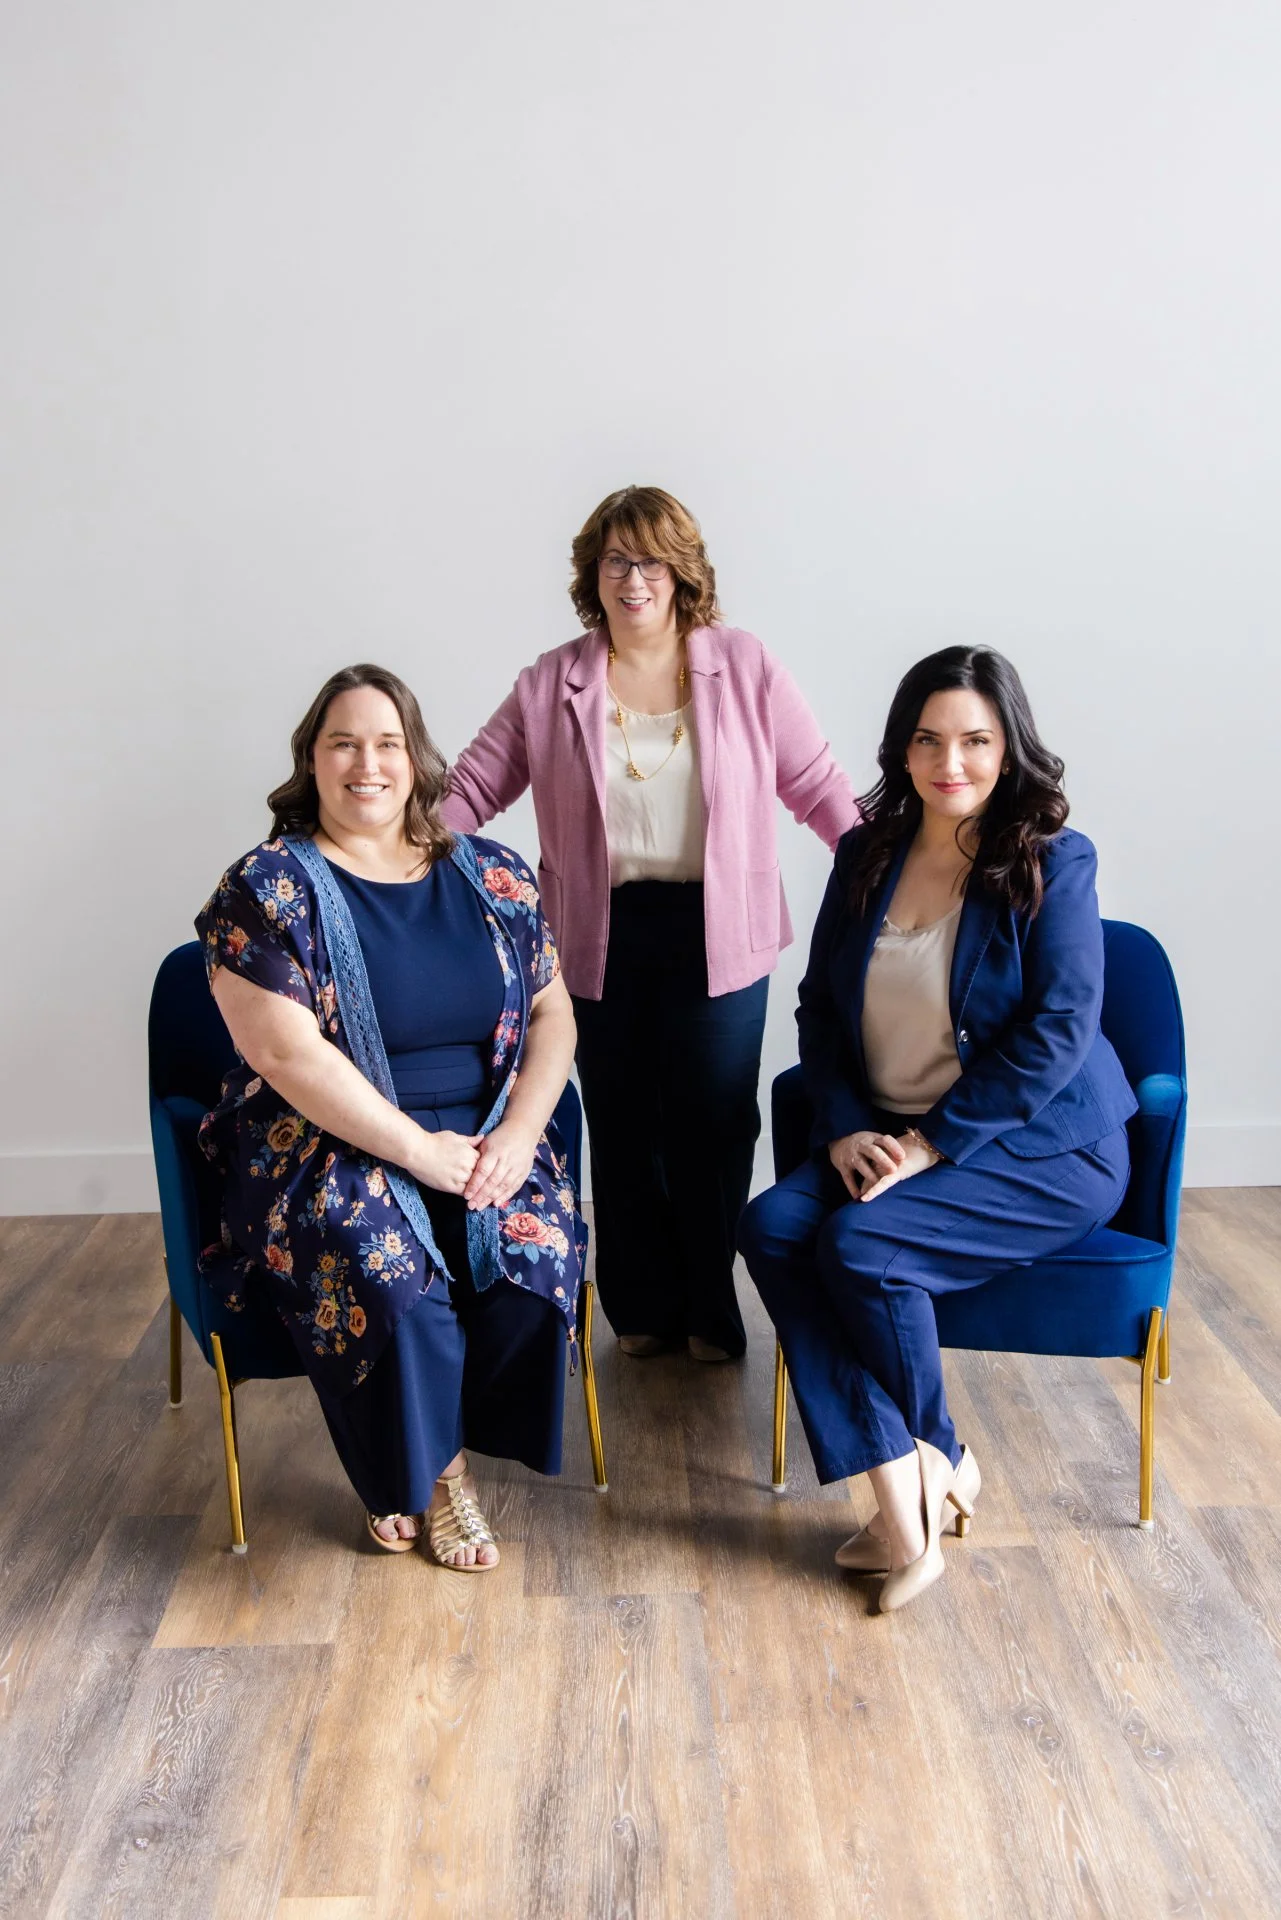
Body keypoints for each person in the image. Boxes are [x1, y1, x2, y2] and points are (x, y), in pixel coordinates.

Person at [737, 646, 1137, 1612]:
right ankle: (917, 1472)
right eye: (927, 740)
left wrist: (928, 1146)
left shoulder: (1051, 858)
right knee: (773, 1225)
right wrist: (840, 1131)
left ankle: (926, 1476)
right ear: (901, 750)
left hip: (1042, 1148)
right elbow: (820, 1013)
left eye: (972, 740)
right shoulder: (865, 852)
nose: (947, 761)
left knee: (865, 1242)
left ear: (1008, 749)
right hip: (889, 1132)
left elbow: (1058, 1030)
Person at [440, 486, 856, 1364]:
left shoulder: (743, 667)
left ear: (683, 572)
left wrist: (885, 880)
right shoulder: (551, 681)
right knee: (624, 1126)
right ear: (594, 574)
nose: (634, 579)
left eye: (652, 560)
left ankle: (709, 1308)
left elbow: (818, 787)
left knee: (711, 1124)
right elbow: (470, 789)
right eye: (616, 560)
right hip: (598, 934)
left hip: (721, 929)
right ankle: (641, 1313)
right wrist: (383, 859)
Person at [196, 663, 584, 1566]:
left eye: (386, 743)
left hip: (487, 1130)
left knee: (537, 1256)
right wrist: (414, 1149)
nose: (365, 764)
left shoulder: (494, 874)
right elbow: (284, 1054)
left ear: (416, 760)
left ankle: (426, 1442)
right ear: (311, 761)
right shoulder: (265, 888)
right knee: (389, 1274)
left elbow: (553, 1012)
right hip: (326, 1139)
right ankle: (439, 1478)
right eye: (342, 743)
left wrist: (519, 1136)